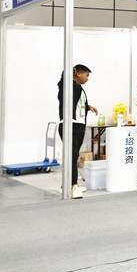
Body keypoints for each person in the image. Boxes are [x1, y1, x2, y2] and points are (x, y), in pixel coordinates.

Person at [57, 64, 98, 199]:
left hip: (79, 126)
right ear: (78, 74)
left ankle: (69, 183)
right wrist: (70, 70)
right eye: (86, 75)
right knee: (71, 156)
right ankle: (72, 185)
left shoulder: (78, 88)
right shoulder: (67, 85)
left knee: (74, 156)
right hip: (70, 125)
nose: (87, 78)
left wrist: (88, 107)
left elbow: (77, 104)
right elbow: (62, 81)